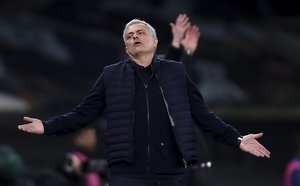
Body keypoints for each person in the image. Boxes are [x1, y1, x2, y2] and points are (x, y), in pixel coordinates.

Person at [18, 18, 271, 186]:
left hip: (171, 173)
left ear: (154, 41)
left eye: (140, 33)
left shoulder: (175, 72)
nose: (134, 37)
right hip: (126, 174)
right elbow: (83, 113)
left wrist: (237, 139)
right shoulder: (111, 74)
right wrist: (47, 126)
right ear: (126, 47)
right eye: (129, 36)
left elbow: (203, 115)